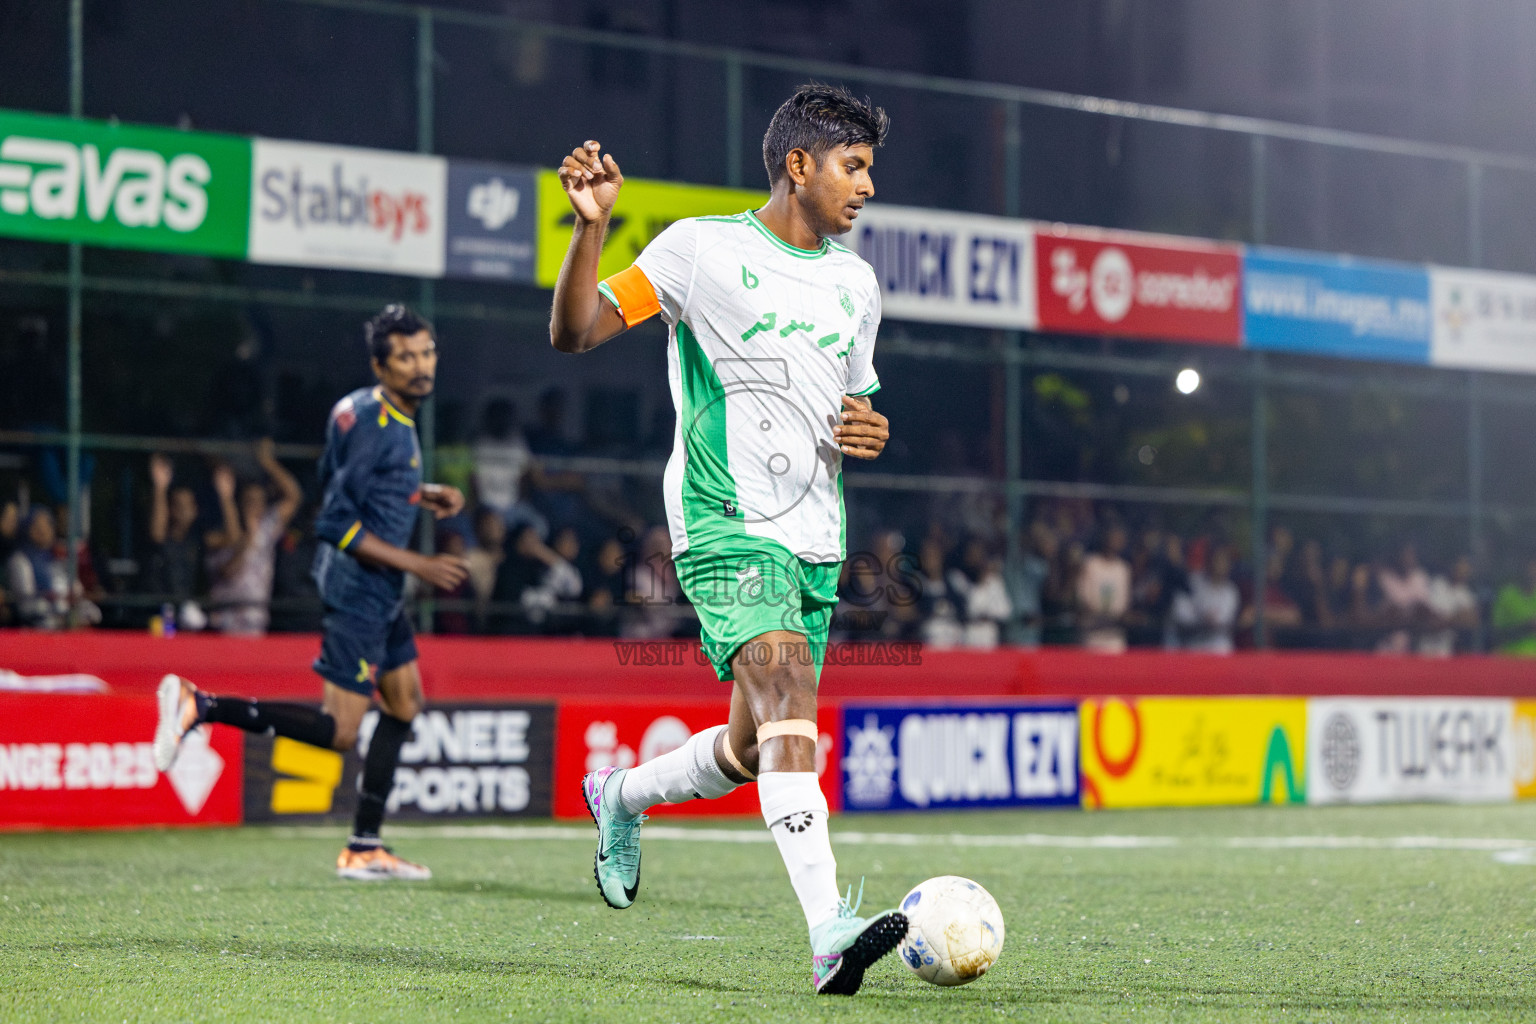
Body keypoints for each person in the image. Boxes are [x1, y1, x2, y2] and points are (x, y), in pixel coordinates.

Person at [549, 84, 904, 995]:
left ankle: (617, 796)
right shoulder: (699, 249)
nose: (866, 187)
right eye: (853, 167)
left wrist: (868, 430)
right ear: (798, 165)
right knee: (790, 701)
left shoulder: (855, 283)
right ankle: (830, 931)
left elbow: (851, 410)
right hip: (721, 523)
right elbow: (577, 331)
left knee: (755, 749)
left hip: (817, 538)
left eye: (870, 169)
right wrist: (590, 230)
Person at [153, 304, 468, 880]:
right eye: (406, 356)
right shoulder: (378, 423)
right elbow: (335, 523)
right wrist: (418, 563)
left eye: (427, 352)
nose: (421, 365)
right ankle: (200, 704)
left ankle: (365, 845)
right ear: (381, 364)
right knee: (340, 731)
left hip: (380, 586)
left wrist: (419, 493)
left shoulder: (366, 410)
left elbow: (342, 477)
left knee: (403, 703)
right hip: (361, 587)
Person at [204, 441, 302, 636]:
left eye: (259, 502)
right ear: (239, 503)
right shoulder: (219, 534)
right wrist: (247, 537)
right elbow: (228, 570)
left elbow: (293, 496)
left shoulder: (267, 529)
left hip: (256, 626)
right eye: (249, 501)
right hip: (225, 627)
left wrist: (267, 463)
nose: (254, 506)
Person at [144, 454, 205, 624]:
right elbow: (157, 532)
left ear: (195, 510)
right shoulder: (162, 536)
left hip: (186, 615)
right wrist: (160, 488)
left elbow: (232, 538)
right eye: (177, 505)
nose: (182, 511)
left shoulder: (198, 540)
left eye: (187, 506)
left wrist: (225, 496)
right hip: (157, 612)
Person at [1076, 525, 1132, 653]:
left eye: (1119, 538)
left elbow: (1124, 604)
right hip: (1093, 635)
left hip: (1115, 636)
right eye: (1113, 537)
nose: (1116, 541)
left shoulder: (1123, 568)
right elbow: (1084, 599)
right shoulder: (1091, 564)